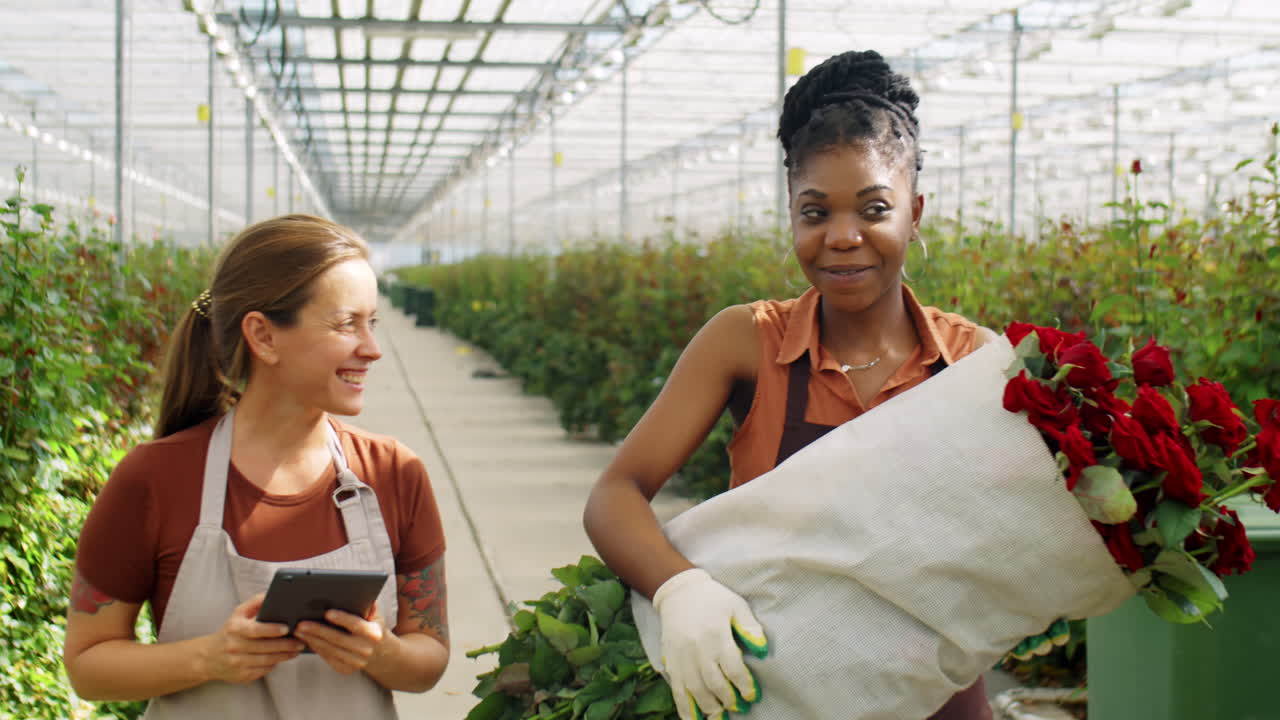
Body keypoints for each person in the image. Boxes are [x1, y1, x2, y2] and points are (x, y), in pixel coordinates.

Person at [583, 51, 1057, 720]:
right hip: (781, 694)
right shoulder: (748, 343)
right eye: (815, 213)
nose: (842, 237)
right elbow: (614, 494)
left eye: (873, 209)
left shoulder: (973, 362)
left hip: (940, 702)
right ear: (790, 214)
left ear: (914, 213)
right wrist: (679, 590)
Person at [63, 215, 449, 718]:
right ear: (263, 336)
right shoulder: (155, 479)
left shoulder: (394, 473)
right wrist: (208, 657)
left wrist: (381, 652)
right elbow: (88, 665)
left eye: (371, 322)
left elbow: (430, 656)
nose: (371, 348)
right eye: (345, 323)